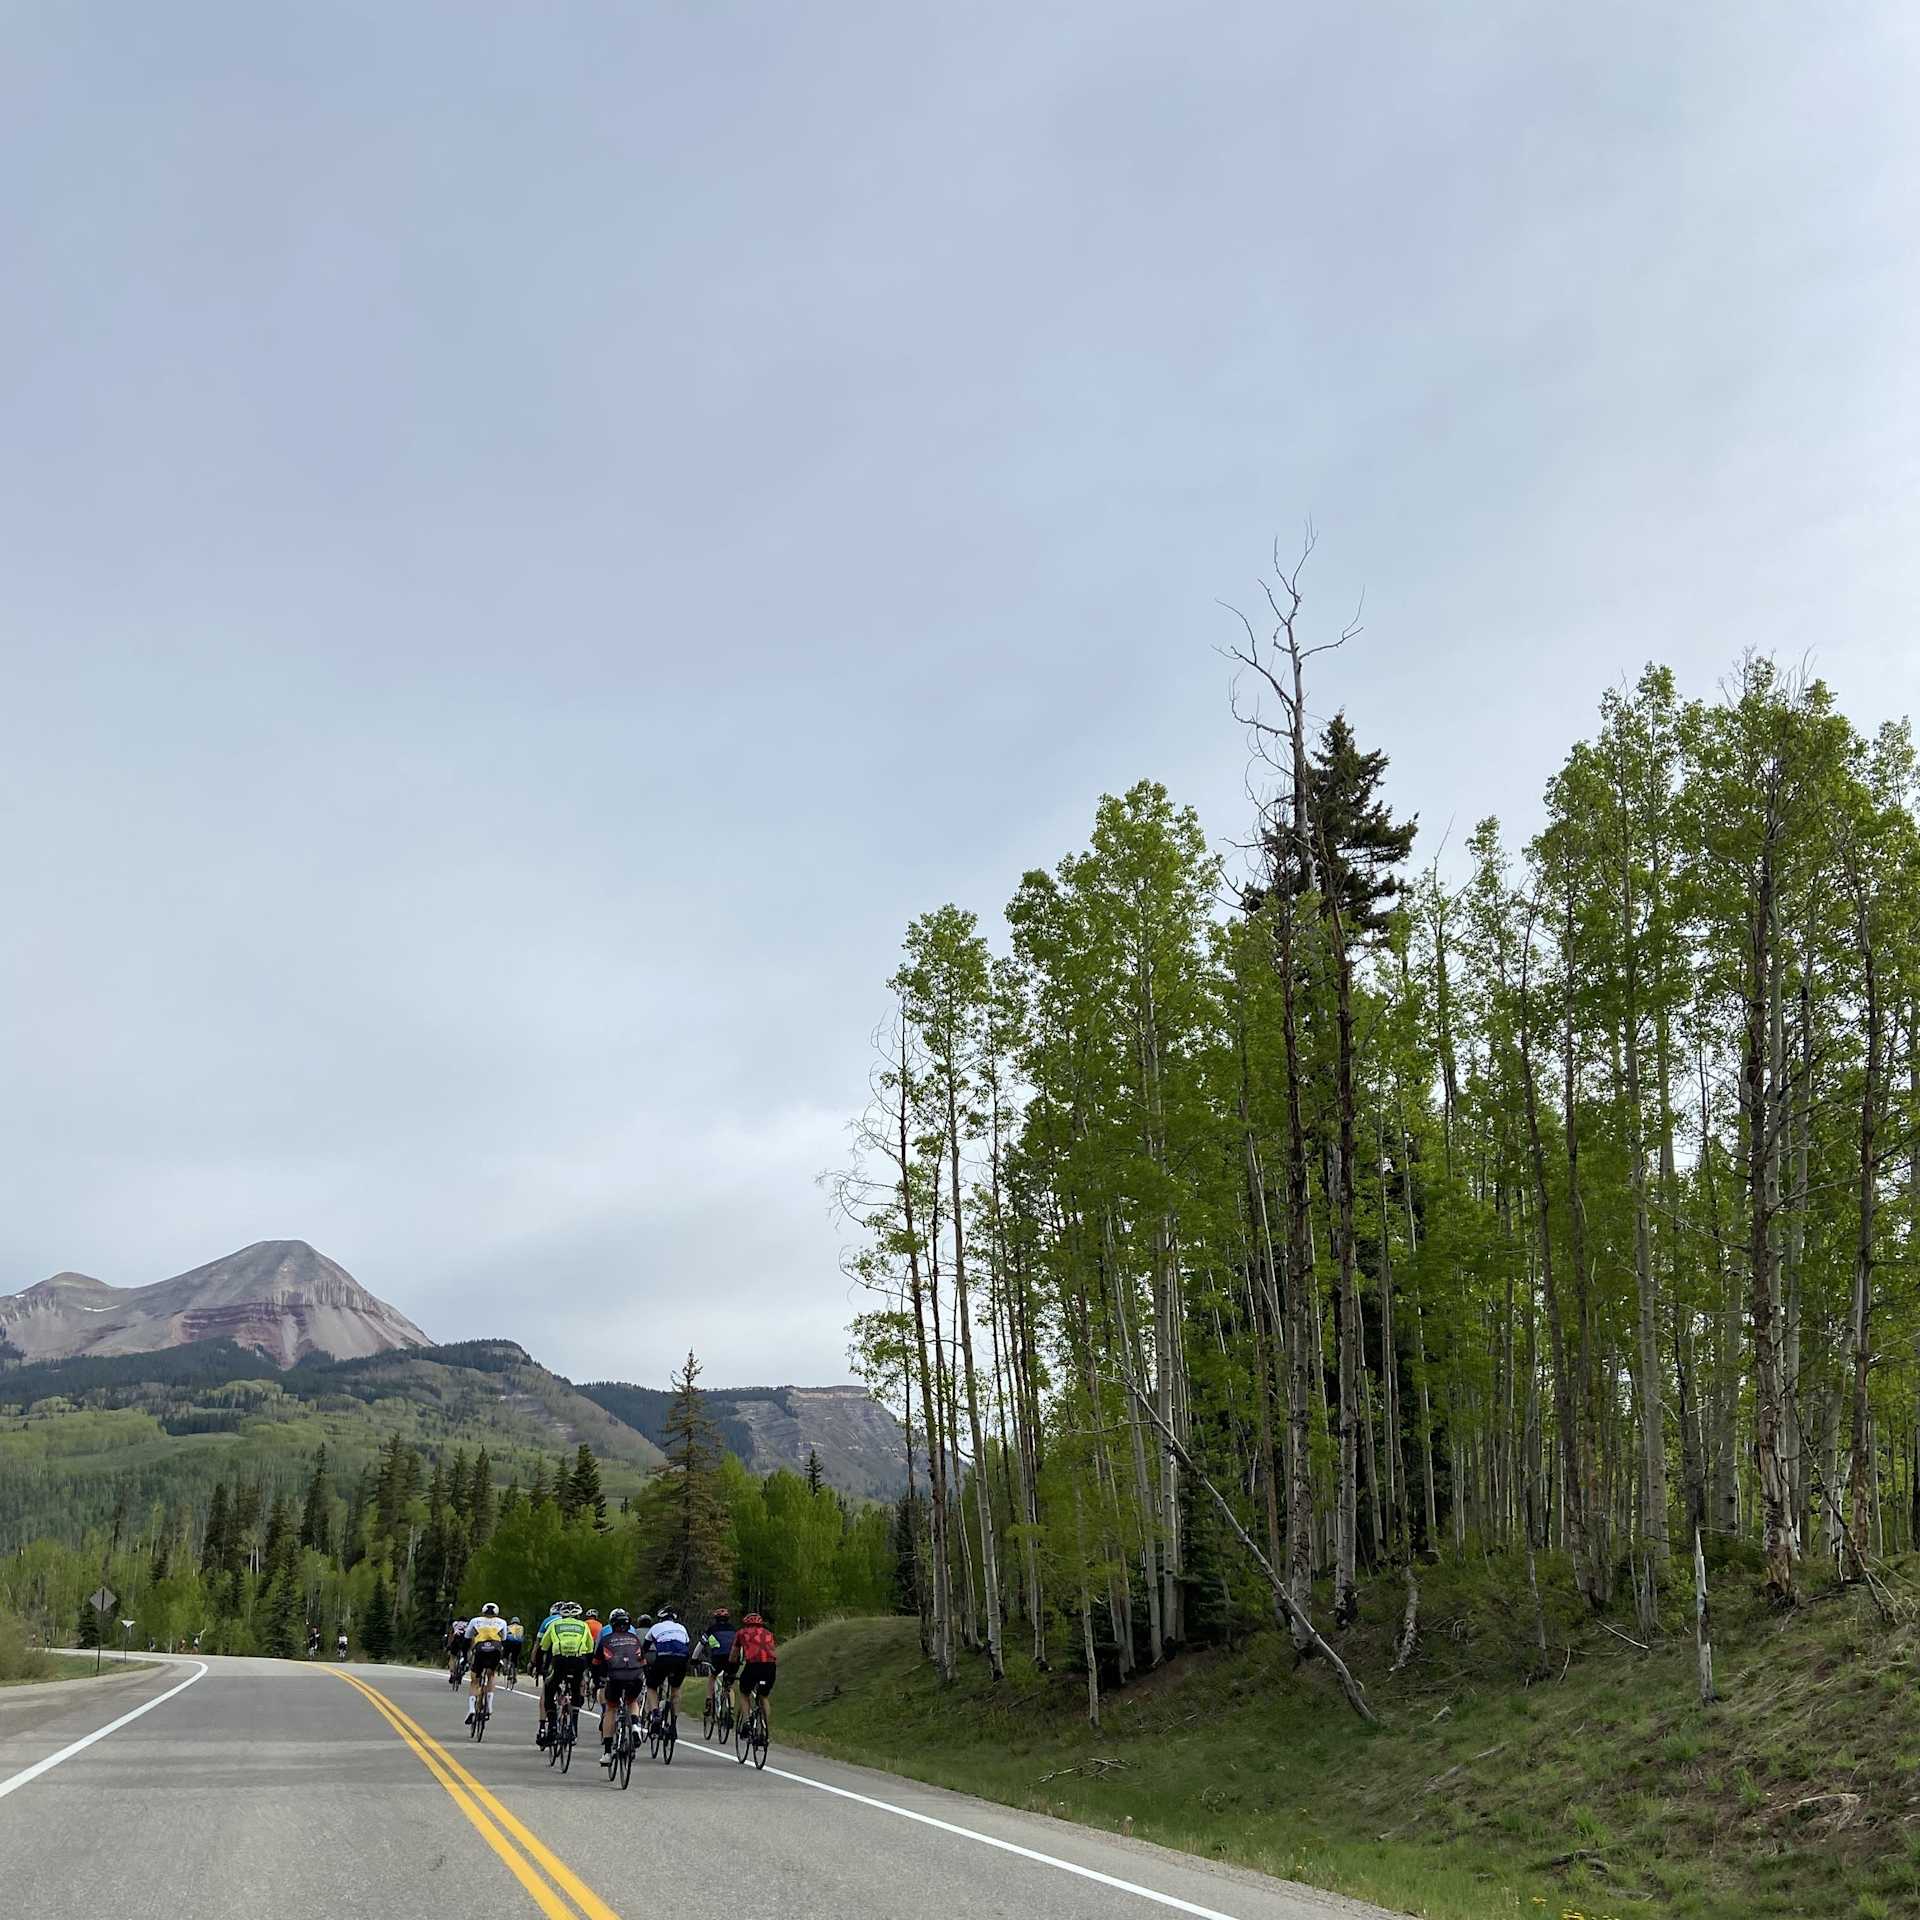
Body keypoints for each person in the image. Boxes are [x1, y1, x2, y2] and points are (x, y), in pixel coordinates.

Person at [536, 1602, 595, 1748]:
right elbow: (589, 1649)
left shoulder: (554, 1625)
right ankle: (573, 1726)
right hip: (578, 1660)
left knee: (549, 1689)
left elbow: (543, 1647)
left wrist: (540, 1667)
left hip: (560, 1660)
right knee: (576, 1689)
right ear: (578, 1615)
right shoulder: (583, 1626)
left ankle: (553, 1728)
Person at [593, 1608, 645, 1762]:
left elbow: (596, 1663)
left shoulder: (606, 1639)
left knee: (611, 1708)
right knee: (632, 1701)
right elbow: (643, 1661)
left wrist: (598, 1681)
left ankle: (608, 1752)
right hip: (635, 1676)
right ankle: (635, 1725)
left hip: (615, 1677)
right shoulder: (635, 1639)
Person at [642, 1605, 691, 1735]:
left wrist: (643, 1662)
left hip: (663, 1657)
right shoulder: (682, 1628)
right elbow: (686, 1645)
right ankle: (674, 1723)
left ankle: (655, 1713)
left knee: (651, 1686)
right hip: (681, 1658)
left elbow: (644, 1649)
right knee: (676, 1689)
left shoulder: (655, 1628)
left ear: (660, 1618)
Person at [734, 1611, 778, 1741]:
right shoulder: (769, 1634)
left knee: (744, 1693)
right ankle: (764, 1728)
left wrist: (732, 1667)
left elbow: (733, 1655)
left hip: (753, 1666)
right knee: (764, 1697)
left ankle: (747, 1722)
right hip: (770, 1667)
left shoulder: (742, 1633)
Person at [464, 1602, 507, 1726]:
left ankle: (472, 1709)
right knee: (491, 1675)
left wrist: (465, 1655)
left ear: (483, 1611)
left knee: (474, 1680)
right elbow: (504, 1640)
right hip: (495, 1649)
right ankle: (490, 1706)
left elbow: (467, 1638)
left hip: (480, 1649)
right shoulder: (502, 1622)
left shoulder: (475, 1621)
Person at [698, 1608, 739, 1723]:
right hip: (733, 1659)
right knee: (729, 1686)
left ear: (715, 1619)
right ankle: (730, 1710)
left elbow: (701, 1645)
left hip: (718, 1659)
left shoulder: (712, 1629)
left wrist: (694, 1658)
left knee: (712, 1676)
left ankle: (708, 1702)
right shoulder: (734, 1630)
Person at [447, 1615, 470, 1684]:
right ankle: (463, 1667)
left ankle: (452, 1674)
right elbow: (472, 1637)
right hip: (465, 1640)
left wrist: (449, 1645)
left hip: (456, 1639)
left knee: (452, 1657)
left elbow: (451, 1635)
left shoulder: (455, 1624)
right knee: (467, 1654)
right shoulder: (468, 1624)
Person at [503, 1615, 525, 1687]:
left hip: (508, 1642)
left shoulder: (508, 1627)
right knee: (515, 1659)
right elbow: (521, 1636)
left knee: (505, 1655)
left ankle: (505, 1667)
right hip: (517, 1643)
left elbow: (504, 1636)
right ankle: (514, 1675)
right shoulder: (521, 1627)